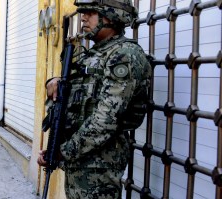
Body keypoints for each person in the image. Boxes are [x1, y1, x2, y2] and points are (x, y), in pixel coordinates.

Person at [37, 0, 152, 198]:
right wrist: (56, 81)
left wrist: (63, 151)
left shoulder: (124, 54)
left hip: (100, 165)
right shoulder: (94, 54)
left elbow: (106, 120)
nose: (83, 17)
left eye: (91, 13)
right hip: (80, 160)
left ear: (112, 16)